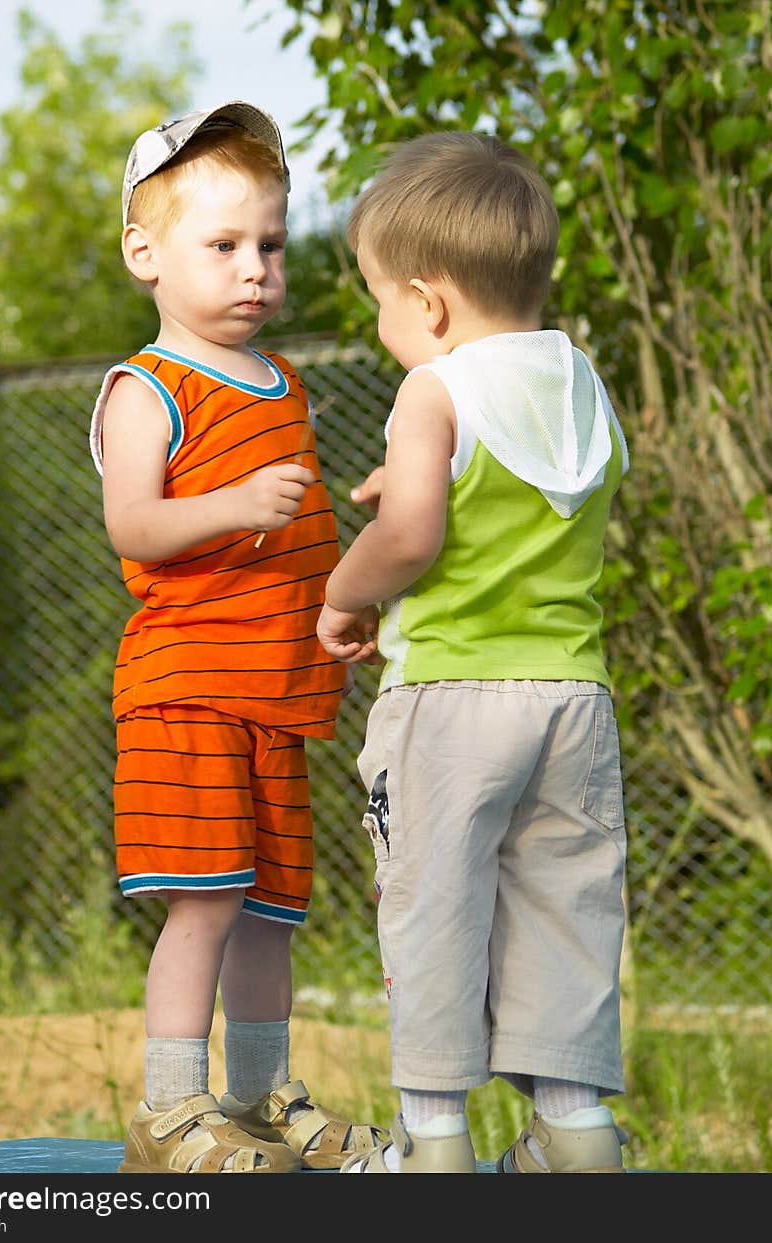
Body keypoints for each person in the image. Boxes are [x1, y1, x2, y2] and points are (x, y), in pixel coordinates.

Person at [316, 130, 631, 1174]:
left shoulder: (432, 390)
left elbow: (411, 536)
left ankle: (432, 1140)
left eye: (379, 300)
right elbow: (511, 496)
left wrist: (344, 592)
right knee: (565, 909)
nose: (382, 325)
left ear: (431, 303)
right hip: (572, 703)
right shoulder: (583, 385)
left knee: (433, 911)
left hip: (450, 701)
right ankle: (574, 1130)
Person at [89, 100, 385, 1175]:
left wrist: (338, 615)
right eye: (222, 245)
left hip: (275, 697)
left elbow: (297, 545)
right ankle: (172, 1111)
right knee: (206, 899)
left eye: (267, 242)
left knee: (270, 909)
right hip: (186, 690)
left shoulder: (286, 384)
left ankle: (258, 1104)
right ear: (145, 251)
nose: (254, 267)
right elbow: (135, 524)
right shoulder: (147, 387)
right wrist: (228, 506)